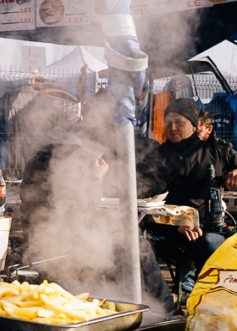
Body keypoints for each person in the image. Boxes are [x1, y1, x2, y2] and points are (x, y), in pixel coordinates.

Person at [19, 99, 177, 315]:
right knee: (136, 246)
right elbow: (80, 208)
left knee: (122, 241)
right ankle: (166, 310)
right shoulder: (68, 160)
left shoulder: (37, 160)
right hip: (62, 244)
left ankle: (131, 304)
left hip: (41, 240)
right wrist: (97, 178)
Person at [140, 98, 237, 293]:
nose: (172, 127)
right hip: (165, 231)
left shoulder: (217, 152)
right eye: (168, 123)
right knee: (137, 247)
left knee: (214, 247)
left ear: (194, 126)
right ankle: (164, 304)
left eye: (179, 123)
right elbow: (140, 195)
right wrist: (176, 222)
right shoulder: (156, 156)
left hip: (208, 230)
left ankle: (209, 305)